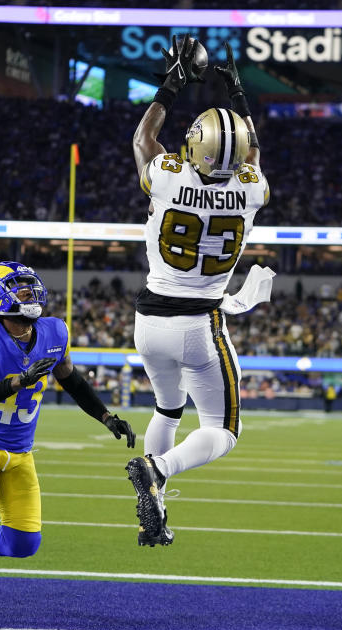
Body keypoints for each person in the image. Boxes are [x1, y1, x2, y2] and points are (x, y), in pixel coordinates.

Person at [0, 261, 136, 627]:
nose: (29, 293)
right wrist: (17, 381)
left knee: (25, 544)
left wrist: (106, 417)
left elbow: (72, 381)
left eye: (29, 286)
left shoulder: (54, 331)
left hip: (21, 452)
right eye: (19, 288)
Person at [127, 37, 270, 547]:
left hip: (149, 321)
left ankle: (155, 512)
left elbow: (145, 137)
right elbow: (250, 150)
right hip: (200, 325)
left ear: (194, 145)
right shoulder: (251, 190)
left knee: (168, 408)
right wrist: (238, 96)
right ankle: (159, 471)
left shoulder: (167, 177)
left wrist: (174, 81)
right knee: (223, 430)